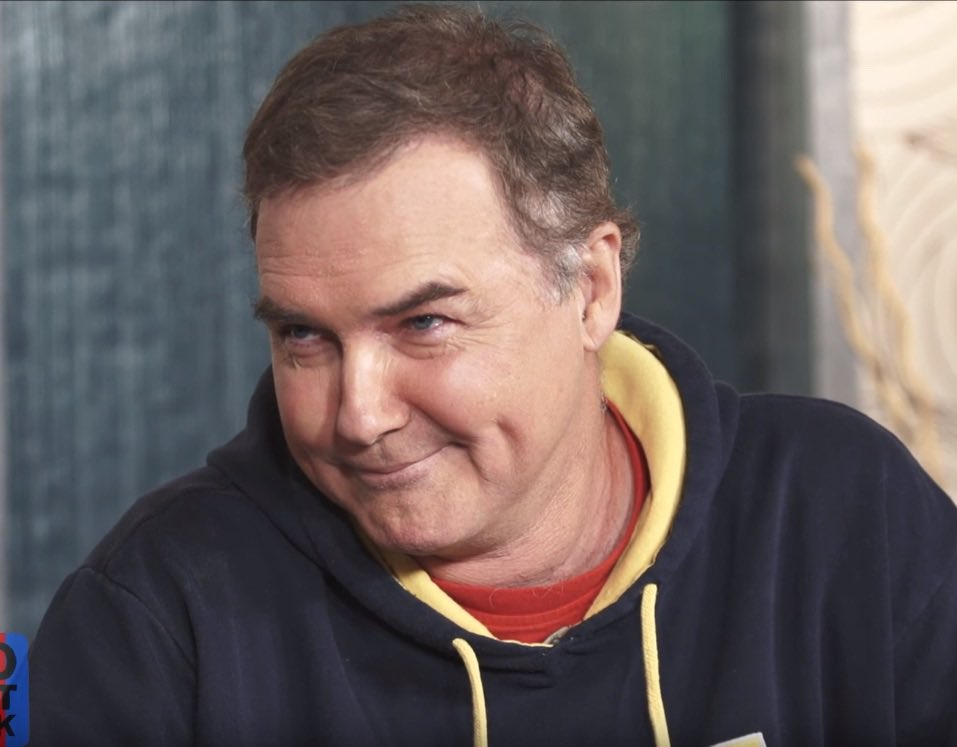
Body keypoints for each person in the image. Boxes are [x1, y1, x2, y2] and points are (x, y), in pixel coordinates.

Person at [29, 4, 957, 746]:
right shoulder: (153, 616)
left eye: (423, 323)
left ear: (590, 289)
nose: (358, 414)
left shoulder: (845, 514)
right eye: (305, 336)